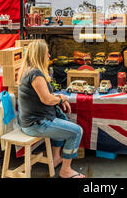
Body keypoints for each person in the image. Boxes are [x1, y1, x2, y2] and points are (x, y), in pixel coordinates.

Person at [17, 40, 85, 178]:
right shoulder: (36, 74)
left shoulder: (29, 71)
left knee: (60, 119)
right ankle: (65, 170)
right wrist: (61, 99)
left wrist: (58, 98)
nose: (49, 55)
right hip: (36, 124)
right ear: (40, 54)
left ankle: (56, 158)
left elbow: (45, 96)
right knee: (76, 131)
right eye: (47, 52)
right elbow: (47, 99)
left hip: (33, 121)